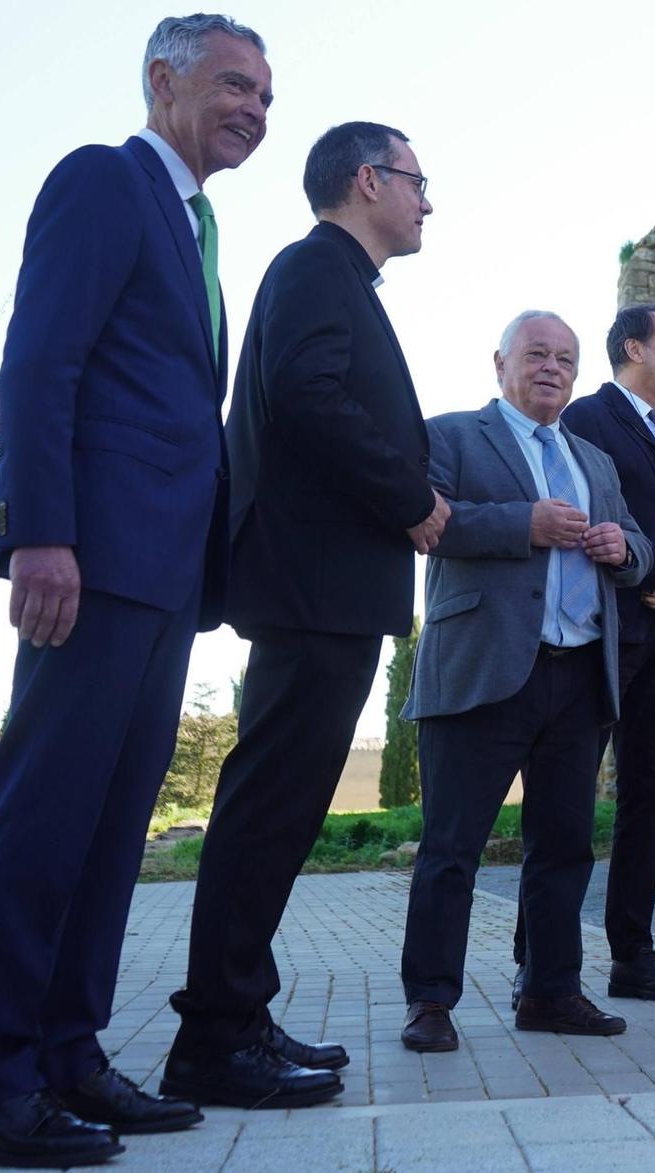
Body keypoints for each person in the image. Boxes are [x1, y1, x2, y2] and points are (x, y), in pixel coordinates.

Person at [0, 13, 270, 1169]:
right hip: (87, 564)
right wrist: (45, 535)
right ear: (161, 79)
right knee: (41, 823)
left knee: (112, 832)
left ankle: (68, 1057)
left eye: (265, 98)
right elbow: (40, 360)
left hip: (162, 579)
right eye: (233, 85)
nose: (253, 111)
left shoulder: (200, 225)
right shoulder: (105, 182)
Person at [163, 122, 449, 1109]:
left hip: (327, 589)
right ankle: (212, 1036)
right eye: (416, 180)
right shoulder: (315, 269)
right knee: (267, 809)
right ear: (367, 179)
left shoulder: (336, 281)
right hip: (312, 586)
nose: (427, 200)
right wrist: (410, 497)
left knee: (280, 813)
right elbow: (309, 397)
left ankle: (237, 1013)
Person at [397, 311, 652, 1051]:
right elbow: (428, 523)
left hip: (578, 675)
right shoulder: (449, 435)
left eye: (565, 358)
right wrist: (525, 524)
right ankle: (431, 1001)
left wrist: (621, 547)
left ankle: (550, 990)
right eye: (537, 354)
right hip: (483, 669)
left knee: (565, 844)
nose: (552, 367)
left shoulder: (592, 459)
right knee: (452, 846)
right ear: (500, 361)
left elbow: (636, 541)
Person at [521, 304, 655, 1005]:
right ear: (634, 347)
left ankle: (633, 953)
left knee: (648, 793)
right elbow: (589, 512)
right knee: (563, 799)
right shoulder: (589, 418)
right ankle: (535, 959)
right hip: (603, 636)